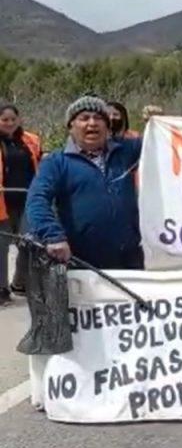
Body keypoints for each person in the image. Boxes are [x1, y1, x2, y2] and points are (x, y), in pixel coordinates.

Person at [27, 96, 143, 270]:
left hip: (130, 259)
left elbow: (164, 143)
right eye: (84, 118)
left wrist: (160, 121)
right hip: (81, 262)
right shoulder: (56, 162)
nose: (92, 123)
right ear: (71, 127)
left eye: (98, 118)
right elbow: (37, 199)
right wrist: (53, 236)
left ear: (107, 126)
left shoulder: (126, 151)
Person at [0, 105, 40, 304]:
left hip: (27, 200)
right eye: (4, 119)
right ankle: (1, 289)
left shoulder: (30, 140)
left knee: (29, 243)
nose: (9, 123)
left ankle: (20, 282)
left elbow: (40, 163)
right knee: (2, 247)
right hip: (2, 203)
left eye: (12, 119)